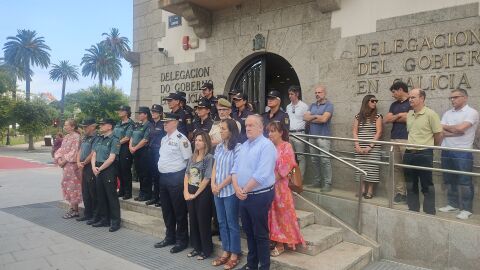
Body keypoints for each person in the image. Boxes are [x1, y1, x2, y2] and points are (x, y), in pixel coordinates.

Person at [232, 115, 277, 270]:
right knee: (249, 232)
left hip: (259, 195)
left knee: (260, 234)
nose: (248, 128)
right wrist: (237, 187)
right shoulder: (244, 145)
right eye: (246, 125)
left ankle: (264, 266)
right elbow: (235, 169)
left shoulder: (267, 146)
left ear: (261, 128)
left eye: (251, 125)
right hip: (243, 195)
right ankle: (251, 264)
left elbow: (262, 174)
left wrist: (243, 190)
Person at [266, 121, 305, 257]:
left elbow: (285, 168)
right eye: (269, 131)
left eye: (273, 131)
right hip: (268, 186)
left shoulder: (286, 146)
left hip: (281, 187)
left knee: (282, 214)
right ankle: (274, 239)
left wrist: (269, 181)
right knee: (271, 214)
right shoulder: (268, 146)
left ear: (281, 132)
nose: (270, 134)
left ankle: (281, 244)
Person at [155, 112, 192, 253]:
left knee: (179, 211)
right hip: (163, 178)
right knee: (167, 210)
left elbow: (189, 161)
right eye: (163, 122)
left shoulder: (181, 139)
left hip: (176, 178)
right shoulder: (164, 139)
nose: (164, 124)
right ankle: (169, 237)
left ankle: (182, 240)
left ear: (175, 123)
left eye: (167, 122)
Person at [439, 88, 478, 220]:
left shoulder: (471, 112)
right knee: (449, 179)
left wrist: (450, 129)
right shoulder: (447, 113)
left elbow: (462, 129)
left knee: (465, 181)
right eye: (451, 98)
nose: (452, 100)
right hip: (446, 150)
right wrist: (456, 130)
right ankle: (452, 204)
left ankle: (467, 209)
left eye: (455, 97)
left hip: (463, 152)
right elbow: (440, 130)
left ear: (465, 98)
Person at [404, 88, 443, 215]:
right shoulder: (409, 114)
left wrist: (430, 147)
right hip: (409, 153)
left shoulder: (431, 114)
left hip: (424, 153)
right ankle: (413, 209)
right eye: (410, 97)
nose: (410, 99)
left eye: (413, 97)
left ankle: (429, 211)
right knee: (410, 184)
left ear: (422, 98)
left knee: (427, 184)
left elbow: (438, 135)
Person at [211, 119, 242, 269]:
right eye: (220, 129)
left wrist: (220, 186)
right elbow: (215, 167)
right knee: (221, 222)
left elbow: (234, 172)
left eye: (223, 129)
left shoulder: (238, 148)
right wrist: (212, 184)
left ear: (231, 130)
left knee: (232, 223)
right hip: (217, 191)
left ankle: (235, 253)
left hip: (229, 191)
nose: (220, 131)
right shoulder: (219, 148)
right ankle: (226, 251)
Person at [184, 132, 214, 260]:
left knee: (203, 221)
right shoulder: (192, 157)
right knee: (193, 220)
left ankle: (206, 250)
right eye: (196, 140)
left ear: (206, 142)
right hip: (190, 191)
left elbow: (207, 178)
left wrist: (195, 194)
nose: (197, 142)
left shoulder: (209, 158)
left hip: (202, 193)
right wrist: (185, 191)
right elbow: (186, 175)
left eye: (200, 140)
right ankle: (196, 247)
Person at [91, 118, 122, 232]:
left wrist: (99, 169)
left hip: (108, 169)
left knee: (111, 196)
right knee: (101, 195)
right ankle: (104, 219)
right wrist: (94, 167)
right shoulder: (99, 139)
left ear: (110, 126)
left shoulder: (114, 140)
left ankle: (115, 221)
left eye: (103, 125)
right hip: (98, 168)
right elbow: (94, 154)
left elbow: (112, 157)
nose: (101, 126)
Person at [303, 85, 333, 192]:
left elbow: (324, 119)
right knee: (314, 160)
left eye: (319, 92)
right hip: (312, 136)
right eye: (316, 93)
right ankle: (317, 181)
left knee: (325, 160)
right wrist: (316, 117)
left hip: (323, 137)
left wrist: (312, 117)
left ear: (324, 93)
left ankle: (327, 184)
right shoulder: (312, 105)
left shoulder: (329, 105)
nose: (317, 94)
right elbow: (305, 117)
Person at [384, 81, 410, 204]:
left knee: (408, 167)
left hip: (408, 139)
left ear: (400, 90)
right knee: (397, 167)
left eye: (394, 92)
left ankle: (411, 193)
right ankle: (400, 193)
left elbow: (409, 118)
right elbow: (386, 119)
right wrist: (399, 115)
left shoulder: (412, 101)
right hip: (394, 139)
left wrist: (397, 117)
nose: (392, 95)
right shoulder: (393, 105)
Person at [352, 95, 383, 199]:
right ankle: (362, 190)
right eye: (372, 101)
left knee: (372, 168)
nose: (375, 102)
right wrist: (357, 145)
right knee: (360, 167)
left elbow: (379, 132)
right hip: (359, 145)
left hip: (373, 147)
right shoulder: (358, 116)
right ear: (366, 102)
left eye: (376, 101)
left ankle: (370, 191)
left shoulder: (378, 116)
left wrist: (370, 146)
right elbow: (355, 131)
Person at [54, 119, 82, 219]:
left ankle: (74, 210)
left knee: (73, 186)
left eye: (67, 125)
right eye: (65, 125)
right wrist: (59, 158)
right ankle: (73, 209)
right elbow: (61, 150)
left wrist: (63, 161)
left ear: (73, 126)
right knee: (67, 185)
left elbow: (74, 151)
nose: (65, 127)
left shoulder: (76, 137)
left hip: (72, 165)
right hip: (66, 165)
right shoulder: (66, 136)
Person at [76, 118, 100, 223]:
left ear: (93, 127)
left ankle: (95, 215)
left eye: (86, 127)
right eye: (83, 127)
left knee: (92, 192)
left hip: (91, 166)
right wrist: (78, 162)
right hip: (83, 166)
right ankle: (87, 213)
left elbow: (93, 152)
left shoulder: (96, 137)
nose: (84, 128)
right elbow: (80, 150)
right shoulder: (85, 137)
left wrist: (84, 162)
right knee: (85, 191)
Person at [285, 85, 308, 177]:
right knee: (291, 157)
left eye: (292, 94)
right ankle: (292, 177)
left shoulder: (303, 106)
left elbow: (307, 120)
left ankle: (300, 179)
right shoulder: (288, 106)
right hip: (290, 134)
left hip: (300, 134)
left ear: (297, 94)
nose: (290, 96)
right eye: (289, 94)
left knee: (301, 157)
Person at [130, 106, 152, 202]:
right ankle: (141, 193)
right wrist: (131, 146)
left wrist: (135, 148)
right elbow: (131, 136)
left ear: (146, 114)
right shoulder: (137, 125)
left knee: (145, 174)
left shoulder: (149, 125)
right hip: (136, 152)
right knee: (139, 173)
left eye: (140, 113)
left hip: (144, 152)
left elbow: (145, 139)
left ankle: (146, 194)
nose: (138, 115)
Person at [146, 104, 165, 207]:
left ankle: (161, 198)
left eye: (155, 112)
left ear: (160, 113)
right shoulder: (150, 124)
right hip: (150, 151)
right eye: (152, 112)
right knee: (153, 175)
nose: (153, 113)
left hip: (159, 152)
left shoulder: (163, 124)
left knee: (160, 175)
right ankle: (155, 197)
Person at [113, 105, 134, 200]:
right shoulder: (118, 123)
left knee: (125, 171)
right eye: (119, 110)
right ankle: (121, 190)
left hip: (125, 149)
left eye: (121, 111)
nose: (119, 112)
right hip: (117, 149)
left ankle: (128, 192)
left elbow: (127, 137)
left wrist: (116, 143)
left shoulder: (130, 124)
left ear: (126, 112)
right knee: (118, 171)